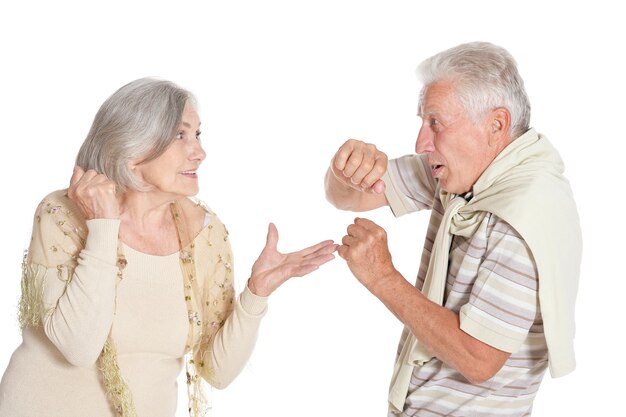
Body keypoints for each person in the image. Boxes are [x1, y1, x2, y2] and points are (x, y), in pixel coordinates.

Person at [0, 77, 337, 417]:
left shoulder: (205, 234)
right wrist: (103, 227)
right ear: (131, 147)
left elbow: (217, 372)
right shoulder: (62, 215)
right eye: (180, 135)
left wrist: (256, 294)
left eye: (197, 134)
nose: (200, 152)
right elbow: (79, 347)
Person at [325, 42, 582, 416]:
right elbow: (349, 198)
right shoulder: (466, 172)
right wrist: (344, 169)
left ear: (496, 125)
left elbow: (479, 359)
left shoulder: (523, 216)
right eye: (422, 122)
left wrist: (382, 277)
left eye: (436, 123)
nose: (421, 142)